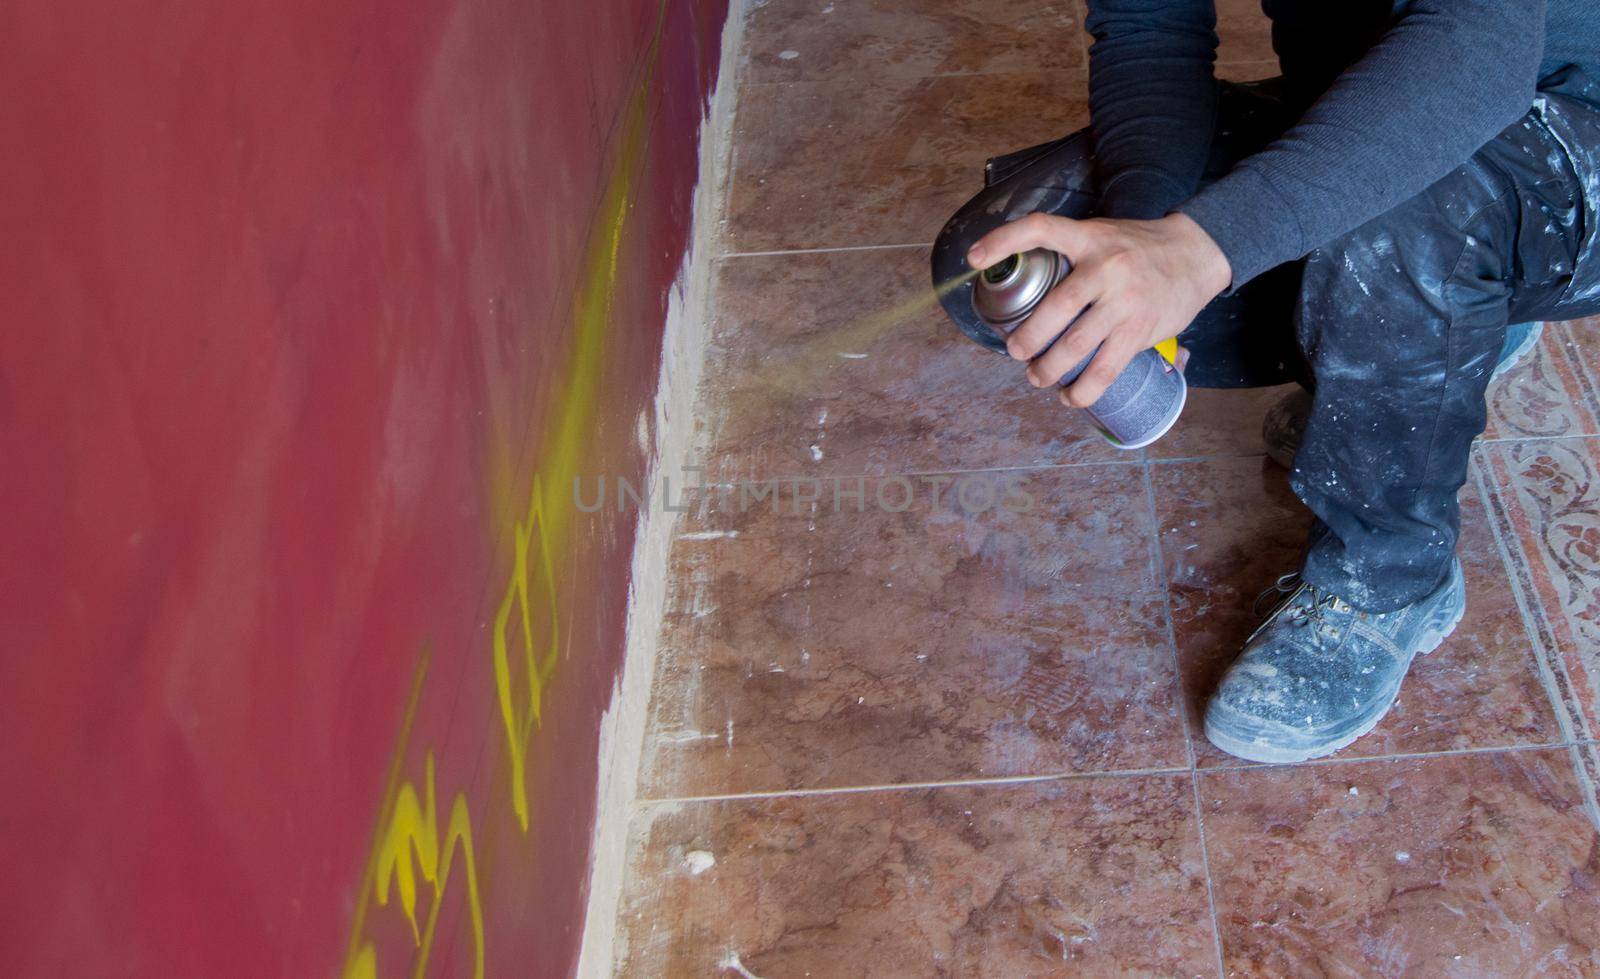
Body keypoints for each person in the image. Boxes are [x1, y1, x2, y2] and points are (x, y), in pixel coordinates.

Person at [937, 0, 1600, 763]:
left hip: (1566, 121)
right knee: (1004, 265)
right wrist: (1140, 241)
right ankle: (1428, 340)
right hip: (1399, 90)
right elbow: (1153, 27)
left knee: (1409, 208)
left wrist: (1198, 250)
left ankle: (1390, 574)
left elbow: (1479, 48)